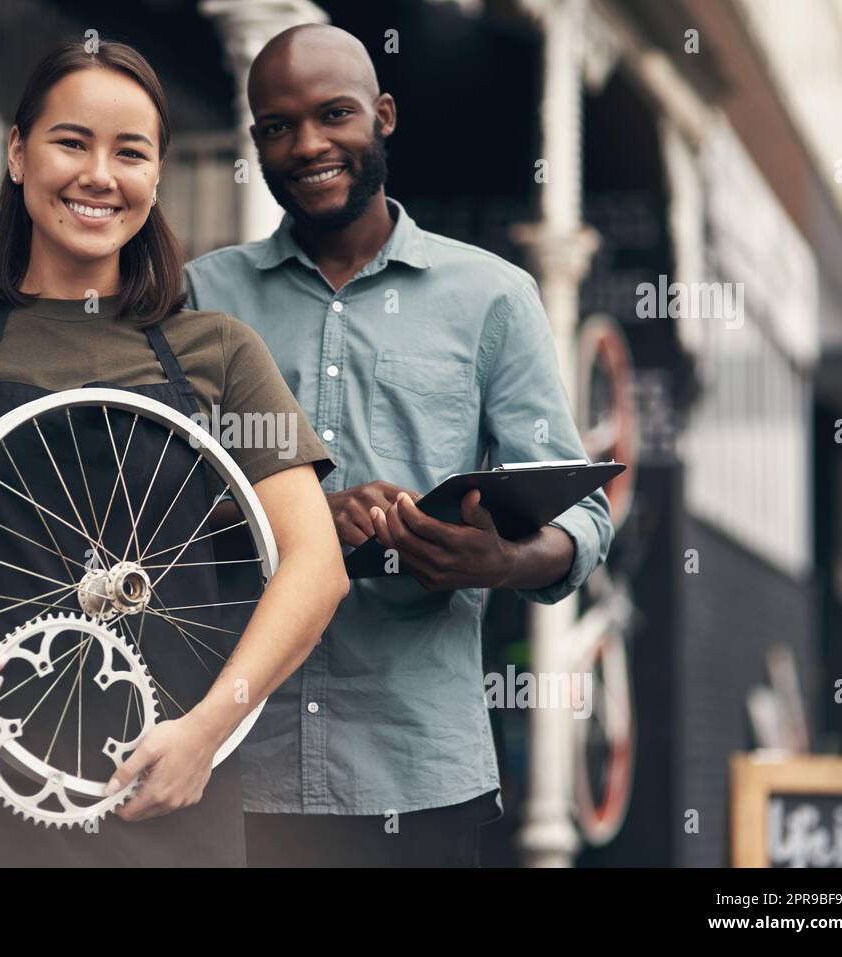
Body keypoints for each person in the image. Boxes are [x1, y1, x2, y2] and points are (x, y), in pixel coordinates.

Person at [0, 39, 346, 867]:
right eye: (71, 142)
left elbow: (316, 565)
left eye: (130, 153)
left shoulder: (219, 350)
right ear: (16, 152)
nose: (99, 175)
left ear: (157, 176)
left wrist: (207, 735)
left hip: (173, 789)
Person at [184, 24, 614, 867]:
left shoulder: (494, 297)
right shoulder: (203, 297)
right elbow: (154, 513)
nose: (307, 145)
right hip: (233, 758)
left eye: (334, 114)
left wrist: (502, 560)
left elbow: (586, 517)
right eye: (277, 126)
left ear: (383, 116)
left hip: (420, 773)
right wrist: (300, 521)